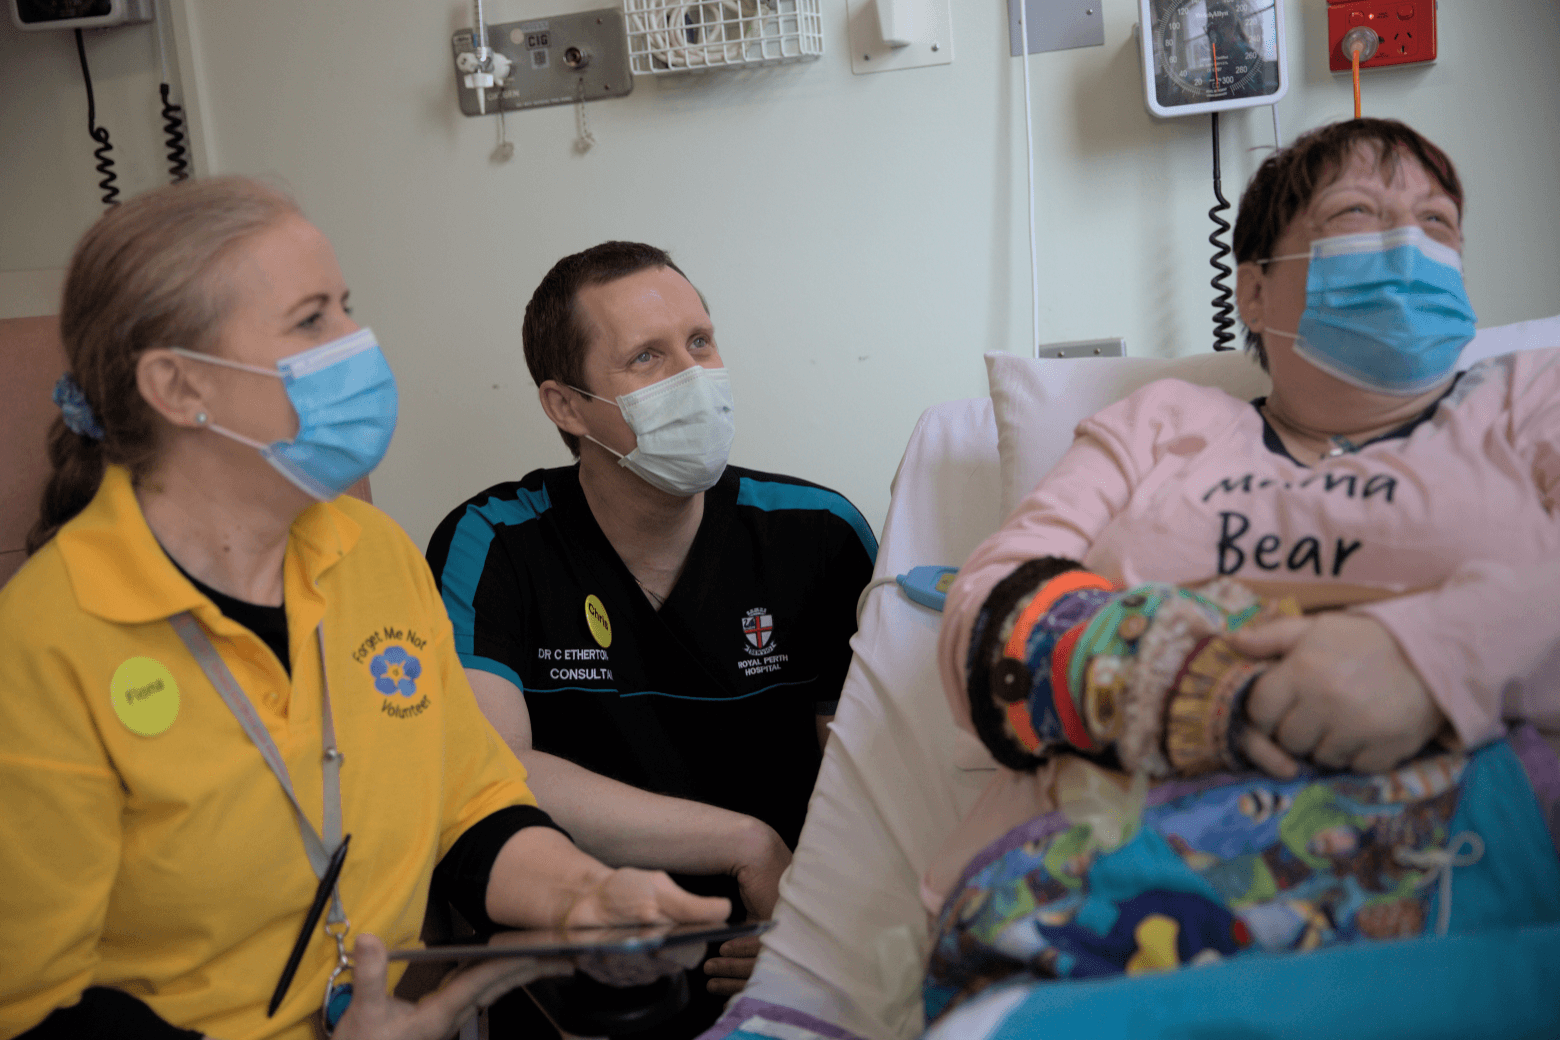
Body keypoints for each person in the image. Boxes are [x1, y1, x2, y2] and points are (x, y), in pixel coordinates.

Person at [0, 180, 729, 1040]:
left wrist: (582, 894)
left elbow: (471, 801)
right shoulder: (46, 642)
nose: (358, 344)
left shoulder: (370, 552)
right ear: (179, 384)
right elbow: (32, 1009)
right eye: (312, 321)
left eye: (348, 308)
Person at [425, 241, 877, 1032]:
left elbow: (868, 777)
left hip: (790, 942)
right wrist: (749, 844)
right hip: (579, 958)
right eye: (647, 357)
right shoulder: (493, 543)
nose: (694, 377)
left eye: (700, 343)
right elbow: (490, 771)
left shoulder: (819, 535)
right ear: (566, 407)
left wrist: (812, 929)